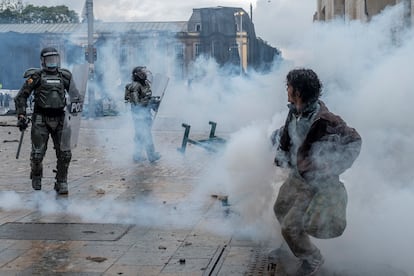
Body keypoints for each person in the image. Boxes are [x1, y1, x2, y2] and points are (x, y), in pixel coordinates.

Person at [270, 68, 362, 275]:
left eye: (289, 87)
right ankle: (292, 247)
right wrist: (278, 145)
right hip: (297, 176)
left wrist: (334, 166)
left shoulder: (326, 119)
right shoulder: (294, 109)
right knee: (280, 209)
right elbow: (288, 131)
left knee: (290, 226)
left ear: (298, 91)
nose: (286, 90)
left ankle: (313, 259)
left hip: (313, 182)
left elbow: (355, 141)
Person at [14, 47, 81, 195]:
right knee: (37, 154)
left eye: (55, 59)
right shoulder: (36, 76)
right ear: (43, 61)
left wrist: (75, 108)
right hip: (40, 118)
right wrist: (21, 115)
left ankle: (61, 181)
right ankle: (36, 175)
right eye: (49, 59)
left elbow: (76, 95)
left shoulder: (65, 76)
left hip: (61, 118)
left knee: (65, 153)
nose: (52, 62)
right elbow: (21, 96)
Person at [124, 66, 161, 163]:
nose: (145, 74)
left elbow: (146, 97)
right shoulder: (135, 86)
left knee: (140, 135)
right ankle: (151, 155)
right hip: (139, 116)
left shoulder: (145, 84)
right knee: (146, 134)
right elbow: (137, 104)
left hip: (146, 114)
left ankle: (137, 156)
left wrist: (154, 102)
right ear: (138, 75)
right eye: (142, 72)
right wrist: (150, 102)